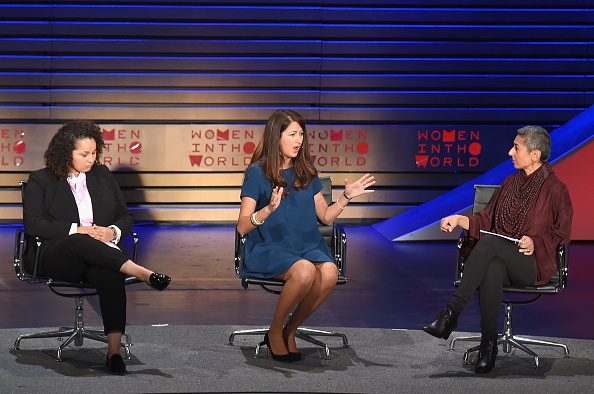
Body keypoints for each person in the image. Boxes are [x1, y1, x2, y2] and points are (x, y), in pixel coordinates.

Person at [22, 120, 172, 374]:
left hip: (101, 256)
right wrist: (77, 229)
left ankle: (113, 353)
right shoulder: (41, 180)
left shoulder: (102, 175)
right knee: (81, 239)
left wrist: (112, 231)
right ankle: (141, 272)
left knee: (109, 272)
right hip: (55, 254)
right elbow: (33, 224)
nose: (91, 159)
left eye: (94, 153)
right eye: (84, 154)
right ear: (65, 153)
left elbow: (125, 216)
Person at [422, 125, 572, 373]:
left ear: (535, 154)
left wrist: (535, 241)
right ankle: (488, 346)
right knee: (491, 267)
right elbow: (486, 220)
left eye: (516, 147)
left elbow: (561, 232)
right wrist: (460, 219)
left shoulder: (555, 188)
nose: (510, 152)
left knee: (490, 243)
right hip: (502, 258)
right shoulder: (510, 182)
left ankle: (451, 313)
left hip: (531, 262)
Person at [237, 109, 375, 362]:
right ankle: (275, 331)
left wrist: (346, 197)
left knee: (330, 272)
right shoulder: (257, 172)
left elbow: (325, 216)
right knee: (305, 271)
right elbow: (243, 227)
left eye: (301, 134)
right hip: (269, 248)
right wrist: (267, 210)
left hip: (305, 246)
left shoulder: (306, 170)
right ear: (275, 138)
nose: (299, 140)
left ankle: (290, 330)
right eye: (292, 134)